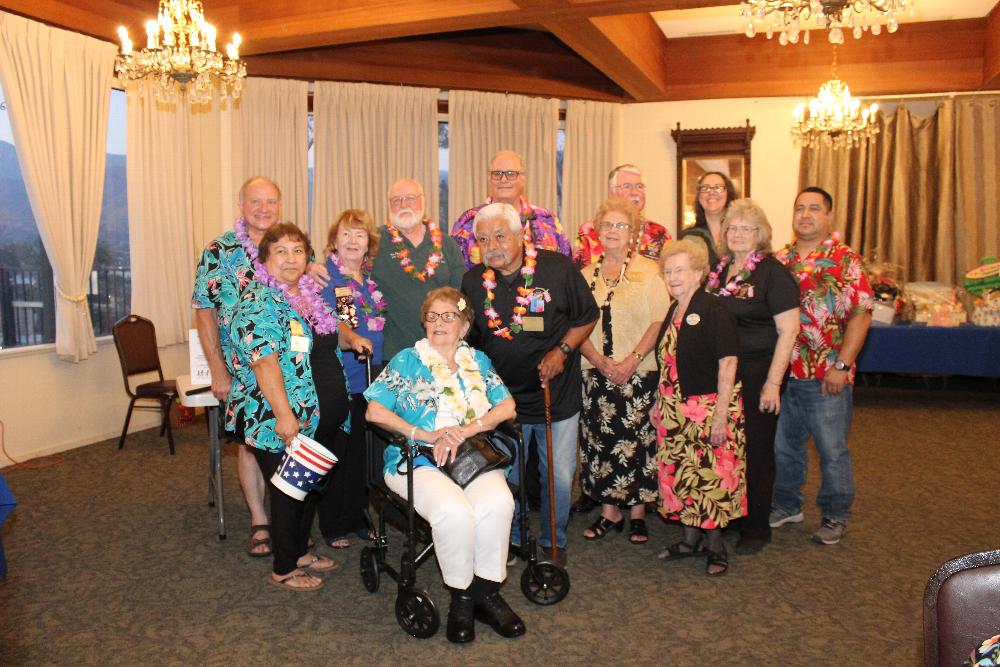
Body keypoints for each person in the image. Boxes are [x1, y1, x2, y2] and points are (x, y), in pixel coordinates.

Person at [364, 287, 521, 644]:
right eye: (433, 316)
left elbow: (506, 407)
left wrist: (465, 430)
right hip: (415, 458)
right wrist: (426, 434)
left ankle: (486, 593)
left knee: (498, 502)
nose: (440, 323)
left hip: (470, 456)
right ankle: (462, 599)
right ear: (424, 323)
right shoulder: (407, 360)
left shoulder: (477, 361)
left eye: (449, 316)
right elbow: (374, 410)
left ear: (464, 326)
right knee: (455, 513)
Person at [228, 223, 367, 591]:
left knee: (309, 485)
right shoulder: (258, 300)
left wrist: (350, 336)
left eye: (298, 251)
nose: (291, 259)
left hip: (321, 413)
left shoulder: (307, 293)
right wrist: (285, 417)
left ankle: (301, 550)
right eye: (281, 251)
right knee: (289, 491)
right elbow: (264, 361)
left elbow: (329, 327)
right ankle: (284, 566)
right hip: (279, 416)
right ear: (264, 259)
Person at [461, 202, 598, 565]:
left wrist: (563, 351)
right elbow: (470, 340)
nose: (492, 245)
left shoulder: (557, 269)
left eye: (500, 236)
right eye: (483, 239)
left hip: (556, 396)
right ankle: (516, 538)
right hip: (504, 403)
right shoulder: (474, 281)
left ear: (521, 235)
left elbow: (588, 315)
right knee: (508, 476)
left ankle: (554, 539)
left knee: (558, 477)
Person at [769, 187, 873, 546]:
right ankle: (786, 504)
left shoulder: (846, 260)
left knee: (832, 450)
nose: (806, 215)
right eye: (800, 208)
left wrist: (842, 365)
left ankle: (835, 514)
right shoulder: (777, 260)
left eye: (814, 209)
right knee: (783, 448)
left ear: (829, 216)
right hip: (783, 375)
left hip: (827, 376)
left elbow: (861, 314)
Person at [572, 164, 671, 514]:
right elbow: (575, 325)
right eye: (608, 225)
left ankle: (639, 513)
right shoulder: (584, 275)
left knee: (639, 443)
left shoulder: (650, 271)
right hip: (595, 372)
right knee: (600, 444)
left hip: (639, 372)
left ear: (634, 232)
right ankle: (608, 513)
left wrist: (631, 360)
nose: (614, 231)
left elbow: (660, 319)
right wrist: (600, 361)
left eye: (622, 225)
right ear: (597, 231)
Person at [192, 176, 281, 558]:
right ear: (241, 205)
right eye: (255, 201)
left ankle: (288, 517)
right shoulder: (218, 251)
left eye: (271, 201)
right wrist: (217, 370)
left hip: (288, 367)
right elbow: (204, 311)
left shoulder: (290, 244)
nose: (263, 208)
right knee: (249, 443)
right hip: (242, 368)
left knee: (288, 438)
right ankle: (260, 520)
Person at [706, 199, 800, 555]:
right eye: (732, 228)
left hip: (760, 374)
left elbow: (789, 331)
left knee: (757, 451)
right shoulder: (721, 269)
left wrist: (774, 384)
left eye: (747, 229)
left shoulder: (773, 273)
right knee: (729, 448)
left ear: (760, 234)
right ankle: (733, 514)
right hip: (724, 375)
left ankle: (757, 527)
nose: (739, 235)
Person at [652, 240, 746, 576]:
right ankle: (690, 540)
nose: (672, 277)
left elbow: (728, 361)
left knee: (709, 477)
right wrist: (657, 401)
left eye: (680, 270)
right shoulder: (674, 308)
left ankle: (715, 547)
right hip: (675, 410)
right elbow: (668, 361)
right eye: (667, 271)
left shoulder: (712, 308)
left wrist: (721, 413)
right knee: (682, 475)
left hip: (706, 408)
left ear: (698, 273)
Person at [319, 209, 384, 549]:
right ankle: (333, 524)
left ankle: (357, 517)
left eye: (360, 235)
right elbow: (345, 328)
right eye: (346, 234)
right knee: (339, 455)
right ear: (334, 241)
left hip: (369, 380)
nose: (353, 241)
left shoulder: (366, 282)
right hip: (344, 380)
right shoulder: (335, 280)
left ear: (368, 243)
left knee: (361, 454)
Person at [372, 178, 466, 360]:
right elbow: (345, 264)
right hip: (394, 354)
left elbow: (463, 298)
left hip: (443, 352)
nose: (404, 204)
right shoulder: (375, 240)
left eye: (410, 197)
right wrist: (313, 268)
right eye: (396, 200)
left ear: (423, 201)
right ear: (388, 205)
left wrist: (459, 321)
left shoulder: (446, 244)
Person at [452, 150, 571, 268]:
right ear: (489, 179)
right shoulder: (467, 222)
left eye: (511, 173)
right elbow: (458, 274)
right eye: (497, 173)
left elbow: (567, 267)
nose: (503, 179)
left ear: (523, 179)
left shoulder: (547, 220)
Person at [574, 164, 671, 267]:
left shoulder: (660, 233)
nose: (635, 192)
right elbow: (577, 276)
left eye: (639, 186)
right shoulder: (589, 231)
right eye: (627, 186)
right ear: (611, 192)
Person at [679, 171, 738, 269]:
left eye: (718, 188)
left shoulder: (741, 233)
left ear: (728, 193)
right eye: (705, 188)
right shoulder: (689, 237)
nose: (711, 192)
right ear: (699, 196)